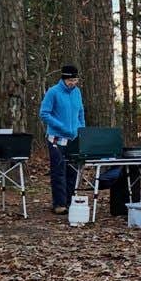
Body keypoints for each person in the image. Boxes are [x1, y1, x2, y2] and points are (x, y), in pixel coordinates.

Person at [39, 65, 85, 214]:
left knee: (72, 171)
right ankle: (59, 204)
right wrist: (61, 126)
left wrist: (82, 128)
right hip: (56, 138)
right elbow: (44, 113)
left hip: (74, 137)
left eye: (75, 79)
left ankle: (70, 201)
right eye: (70, 80)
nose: (73, 82)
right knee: (59, 170)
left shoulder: (77, 92)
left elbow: (80, 111)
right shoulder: (53, 92)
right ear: (64, 79)